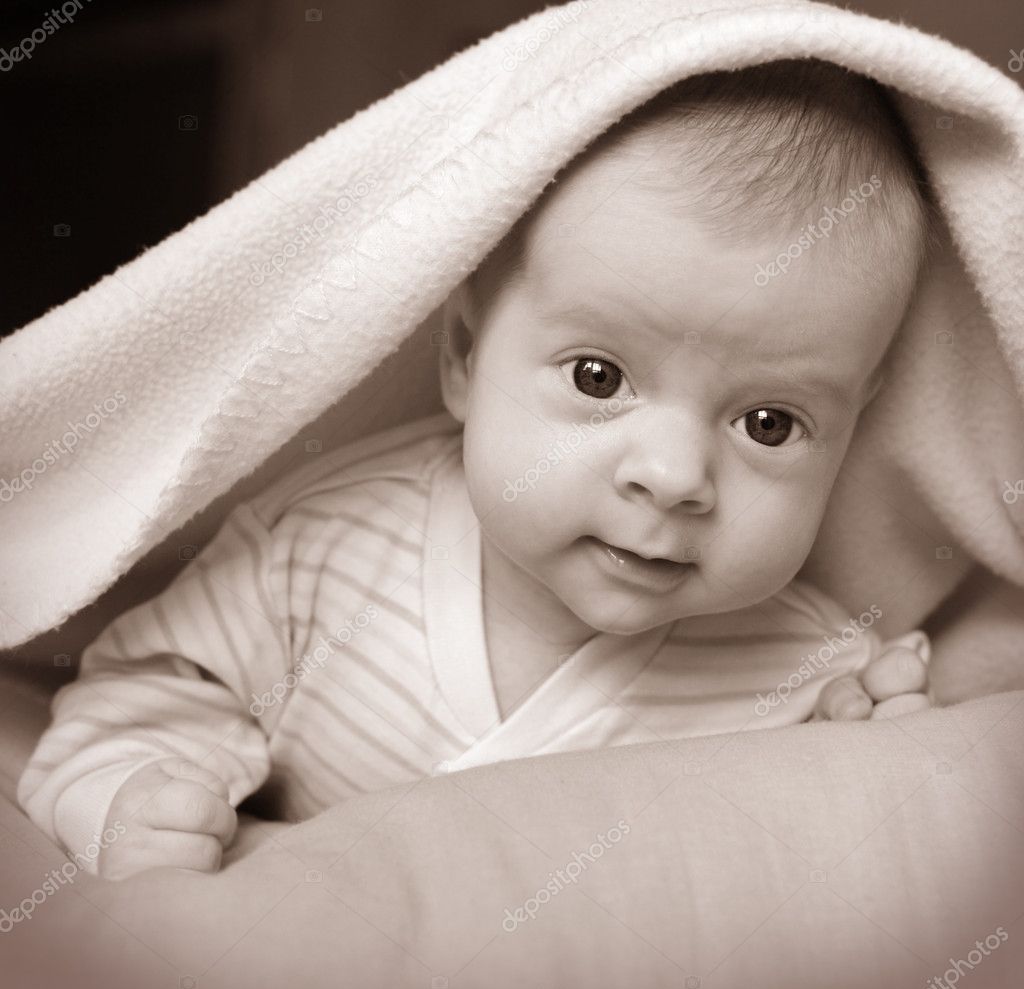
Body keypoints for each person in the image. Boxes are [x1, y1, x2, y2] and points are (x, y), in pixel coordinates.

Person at [19, 59, 935, 880]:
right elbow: (154, 686)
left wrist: (864, 768)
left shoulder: (807, 677)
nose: (671, 475)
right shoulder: (319, 553)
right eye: (598, 377)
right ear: (462, 355)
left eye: (769, 423)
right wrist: (127, 796)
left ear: (852, 428)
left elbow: (811, 880)